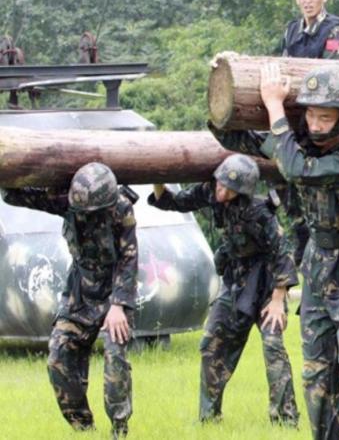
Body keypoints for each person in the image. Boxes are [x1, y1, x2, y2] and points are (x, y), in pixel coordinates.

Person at [212, 63, 339, 440]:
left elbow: (295, 169)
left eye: (324, 116)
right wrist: (223, 86)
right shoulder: (304, 142)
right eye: (309, 113)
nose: (313, 123)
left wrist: (275, 108)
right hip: (319, 264)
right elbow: (237, 140)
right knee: (316, 371)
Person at [148, 154, 298, 425]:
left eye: (229, 188)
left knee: (273, 346)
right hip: (236, 281)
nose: (222, 191)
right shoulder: (210, 192)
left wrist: (278, 300)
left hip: (266, 284)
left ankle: (286, 420)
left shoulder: (259, 211)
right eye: (220, 184)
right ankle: (209, 418)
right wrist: (158, 177)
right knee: (211, 343)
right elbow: (173, 202)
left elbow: (282, 253)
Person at [2, 162, 137, 439]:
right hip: (80, 295)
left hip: (114, 297)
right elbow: (15, 195)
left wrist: (119, 305)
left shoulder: (120, 207)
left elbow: (129, 258)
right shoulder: (71, 202)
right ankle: (83, 428)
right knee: (58, 356)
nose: (87, 216)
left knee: (115, 361)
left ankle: (119, 430)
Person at [278, 0, 339, 266]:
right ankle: (302, 239)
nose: (308, 0)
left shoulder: (336, 31)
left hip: (327, 122)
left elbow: (336, 79)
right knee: (288, 181)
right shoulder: (292, 31)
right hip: (299, 118)